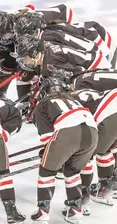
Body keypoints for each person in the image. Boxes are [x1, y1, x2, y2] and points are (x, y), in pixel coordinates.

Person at [30, 76, 98, 224]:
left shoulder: (43, 104)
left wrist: (50, 157)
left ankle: (42, 213)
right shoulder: (74, 100)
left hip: (68, 132)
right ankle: (75, 211)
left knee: (46, 170)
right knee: (72, 171)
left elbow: (47, 138)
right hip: (92, 133)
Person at [71, 85, 117, 208]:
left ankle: (88, 195)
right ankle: (110, 184)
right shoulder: (80, 92)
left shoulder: (68, 103)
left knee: (86, 153)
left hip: (111, 117)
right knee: (106, 149)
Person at [13, 35, 111, 79]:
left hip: (98, 68)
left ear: (34, 54)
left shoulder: (50, 60)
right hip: (97, 60)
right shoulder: (49, 51)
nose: (24, 62)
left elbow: (77, 73)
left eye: (25, 58)